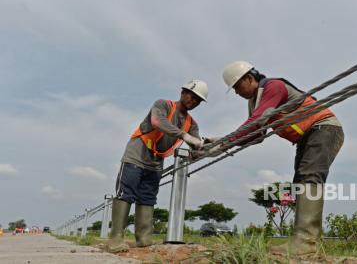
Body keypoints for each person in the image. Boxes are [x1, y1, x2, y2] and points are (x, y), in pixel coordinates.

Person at [222, 61, 344, 258]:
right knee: (300, 184)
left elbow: (258, 120)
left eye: (237, 86)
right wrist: (222, 142)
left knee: (309, 177)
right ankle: (304, 243)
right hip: (308, 135)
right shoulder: (254, 101)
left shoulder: (273, 86)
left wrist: (226, 141)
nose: (236, 92)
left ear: (249, 78)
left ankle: (305, 243)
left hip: (324, 127)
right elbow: (256, 135)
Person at [107, 80, 208, 253]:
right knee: (126, 193)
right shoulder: (163, 105)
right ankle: (115, 239)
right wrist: (185, 136)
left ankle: (143, 238)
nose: (194, 101)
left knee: (148, 196)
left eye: (198, 100)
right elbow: (157, 122)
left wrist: (207, 144)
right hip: (136, 155)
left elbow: (196, 148)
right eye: (192, 95)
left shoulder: (192, 124)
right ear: (183, 92)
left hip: (155, 162)